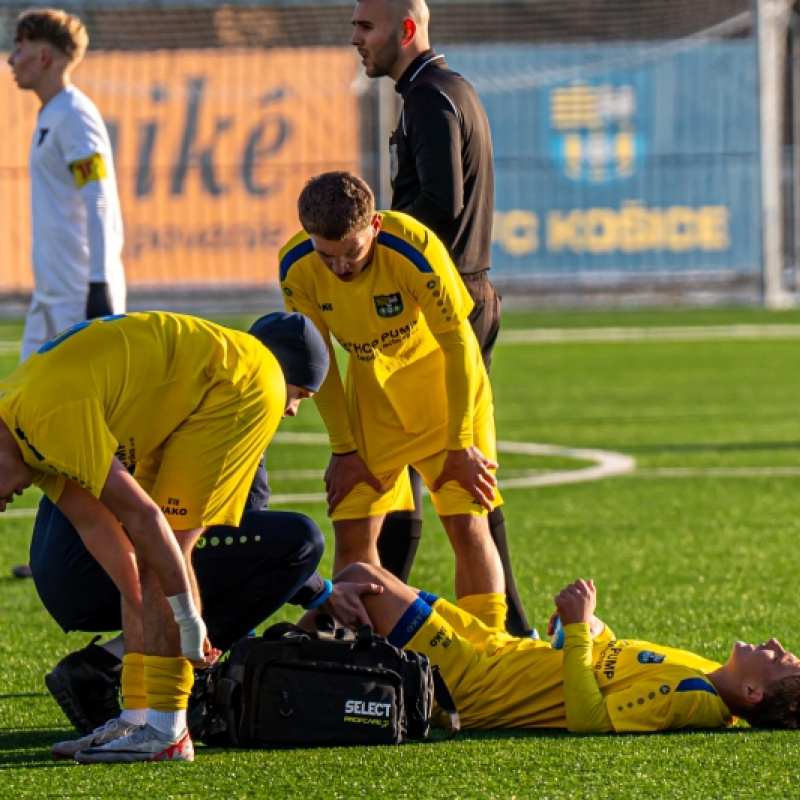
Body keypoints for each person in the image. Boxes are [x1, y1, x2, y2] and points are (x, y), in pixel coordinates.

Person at [0, 310, 327, 763]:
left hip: (240, 383)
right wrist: (154, 614)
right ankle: (137, 716)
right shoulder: (24, 425)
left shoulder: (47, 417)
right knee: (143, 559)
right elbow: (102, 531)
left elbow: (149, 521)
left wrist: (188, 619)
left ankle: (169, 730)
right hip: (198, 388)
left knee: (162, 549)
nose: (7, 501)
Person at [349, 0, 531, 637]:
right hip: (463, 296)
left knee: (438, 469)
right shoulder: (443, 90)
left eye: (365, 27)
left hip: (445, 305)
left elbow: (442, 207)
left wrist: (376, 236)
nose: (355, 40)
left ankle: (507, 635)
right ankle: (512, 630)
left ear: (407, 29)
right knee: (426, 468)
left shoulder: (430, 96)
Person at [281, 171, 506, 626]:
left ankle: (491, 655)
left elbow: (460, 345)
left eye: (352, 253)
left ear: (375, 228)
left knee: (466, 523)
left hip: (446, 397)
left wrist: (462, 442)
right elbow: (318, 362)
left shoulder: (414, 250)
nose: (340, 267)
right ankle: (363, 659)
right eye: (328, 256)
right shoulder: (297, 267)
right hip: (374, 403)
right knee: (351, 530)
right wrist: (343, 449)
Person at [315, 563, 800, 733]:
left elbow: (590, 718)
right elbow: (611, 662)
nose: (776, 643)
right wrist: (585, 626)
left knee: (363, 579)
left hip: (475, 684)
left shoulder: (697, 699)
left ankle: (266, 664)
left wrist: (580, 632)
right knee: (363, 582)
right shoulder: (705, 670)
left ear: (755, 692)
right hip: (496, 649)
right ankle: (277, 659)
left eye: (781, 659)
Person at [8, 8, 126, 579]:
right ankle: (57, 548)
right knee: (26, 419)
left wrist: (101, 285)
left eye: (19, 47)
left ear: (45, 55)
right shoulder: (52, 115)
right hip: (51, 297)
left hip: (80, 296)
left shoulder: (75, 116)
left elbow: (98, 198)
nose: (11, 58)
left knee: (87, 429)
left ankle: (118, 539)